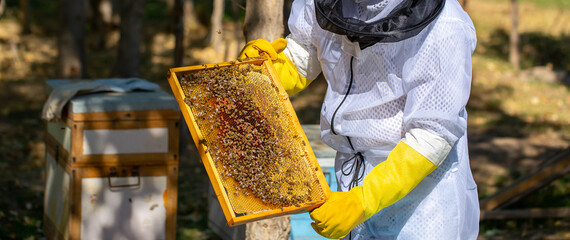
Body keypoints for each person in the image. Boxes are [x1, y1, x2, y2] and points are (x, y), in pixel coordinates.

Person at [239, 0, 479, 239]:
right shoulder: (326, 3)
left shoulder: (445, 26)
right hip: (351, 178)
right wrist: (269, 71)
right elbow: (304, 53)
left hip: (420, 204)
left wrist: (365, 199)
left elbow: (431, 136)